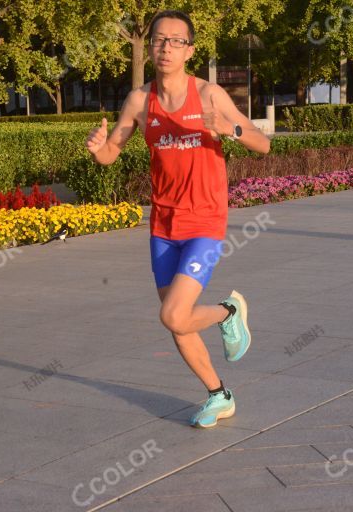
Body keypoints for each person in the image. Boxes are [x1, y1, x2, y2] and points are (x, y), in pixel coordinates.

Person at [84, 10, 271, 428]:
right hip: (163, 225)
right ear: (149, 46)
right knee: (179, 323)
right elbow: (112, 152)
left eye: (175, 41)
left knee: (172, 314)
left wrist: (228, 128)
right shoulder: (139, 100)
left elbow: (263, 144)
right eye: (159, 40)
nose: (166, 48)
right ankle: (218, 394)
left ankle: (228, 312)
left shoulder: (208, 94)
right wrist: (98, 150)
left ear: (190, 49)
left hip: (205, 220)